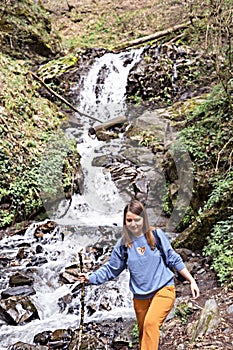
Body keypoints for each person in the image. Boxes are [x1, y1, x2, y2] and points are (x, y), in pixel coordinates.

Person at [78, 199, 200, 350]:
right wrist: (90, 278)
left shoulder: (155, 235)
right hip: (140, 297)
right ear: (124, 221)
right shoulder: (123, 244)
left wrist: (191, 280)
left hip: (164, 289)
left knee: (150, 324)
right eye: (129, 220)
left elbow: (173, 258)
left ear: (144, 219)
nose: (133, 224)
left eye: (137, 219)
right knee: (144, 335)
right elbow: (111, 268)